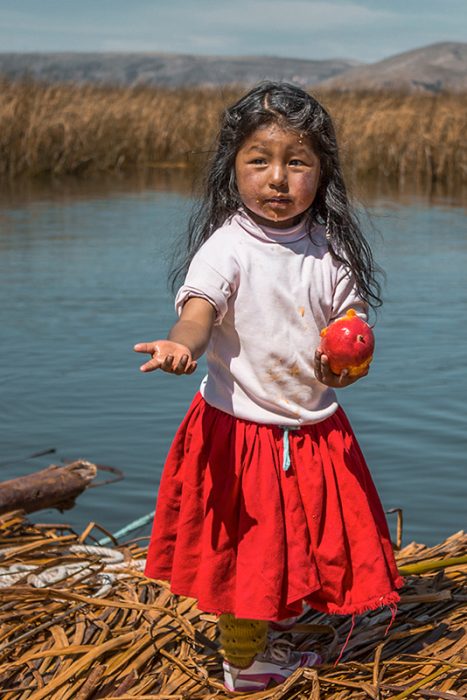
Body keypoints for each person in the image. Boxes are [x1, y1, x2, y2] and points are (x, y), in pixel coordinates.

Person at [134, 82, 403, 693]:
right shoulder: (226, 248)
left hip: (313, 429)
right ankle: (247, 665)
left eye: (296, 161)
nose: (277, 178)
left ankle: (273, 630)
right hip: (241, 432)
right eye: (259, 160)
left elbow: (348, 330)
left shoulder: (331, 251)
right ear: (234, 169)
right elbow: (199, 311)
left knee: (302, 541)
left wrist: (347, 363)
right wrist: (183, 345)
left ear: (322, 171)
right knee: (248, 554)